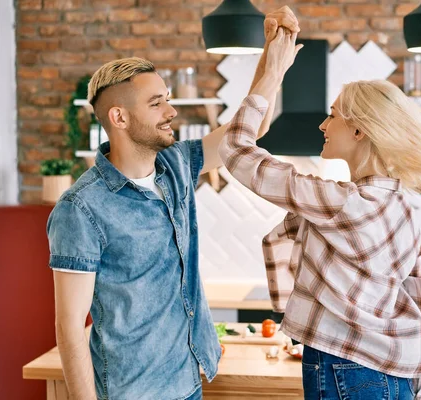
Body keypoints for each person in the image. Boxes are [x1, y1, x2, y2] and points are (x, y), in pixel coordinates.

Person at [46, 7, 300, 400]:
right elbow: (69, 328)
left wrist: (273, 59)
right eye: (156, 104)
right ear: (119, 117)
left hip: (186, 383)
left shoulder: (174, 164)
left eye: (168, 99)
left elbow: (245, 134)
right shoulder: (80, 209)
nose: (172, 112)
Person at [218, 35, 421, 400]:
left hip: (347, 365)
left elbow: (235, 152)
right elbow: (419, 296)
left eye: (332, 115)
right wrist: (420, 381)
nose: (323, 126)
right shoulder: (402, 207)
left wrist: (270, 74)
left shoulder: (341, 203)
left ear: (359, 130)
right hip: (393, 372)